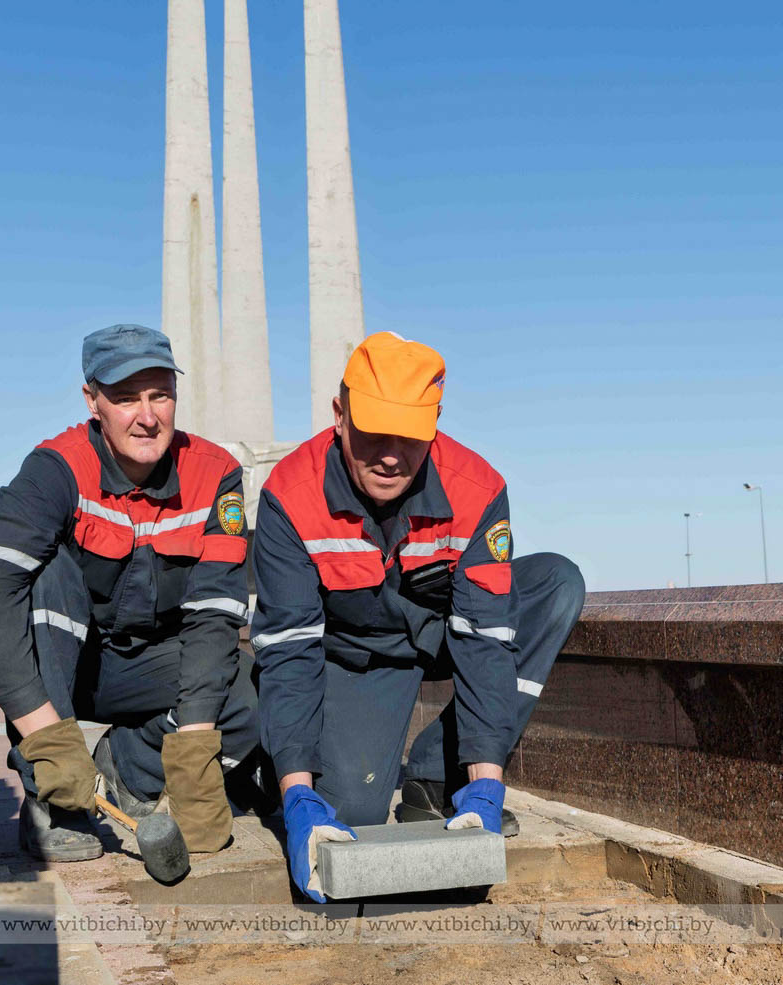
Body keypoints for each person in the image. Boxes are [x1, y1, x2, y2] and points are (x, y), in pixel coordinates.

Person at [251, 332, 585, 901]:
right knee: (352, 812)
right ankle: (270, 764)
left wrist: (487, 781)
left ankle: (439, 774)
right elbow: (290, 649)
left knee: (554, 584)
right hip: (351, 655)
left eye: (409, 439)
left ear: (434, 425)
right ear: (339, 415)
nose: (389, 455)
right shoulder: (290, 495)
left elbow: (485, 639)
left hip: (435, 635)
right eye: (374, 432)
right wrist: (297, 790)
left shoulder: (476, 489)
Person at [0, 323, 260, 862]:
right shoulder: (57, 469)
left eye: (160, 394)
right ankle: (54, 798)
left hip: (152, 665)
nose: (147, 416)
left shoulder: (217, 476)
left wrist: (193, 753)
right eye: (124, 398)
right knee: (46, 578)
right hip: (66, 667)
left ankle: (130, 771)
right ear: (92, 400)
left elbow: (214, 614)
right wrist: (47, 741)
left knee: (250, 700)